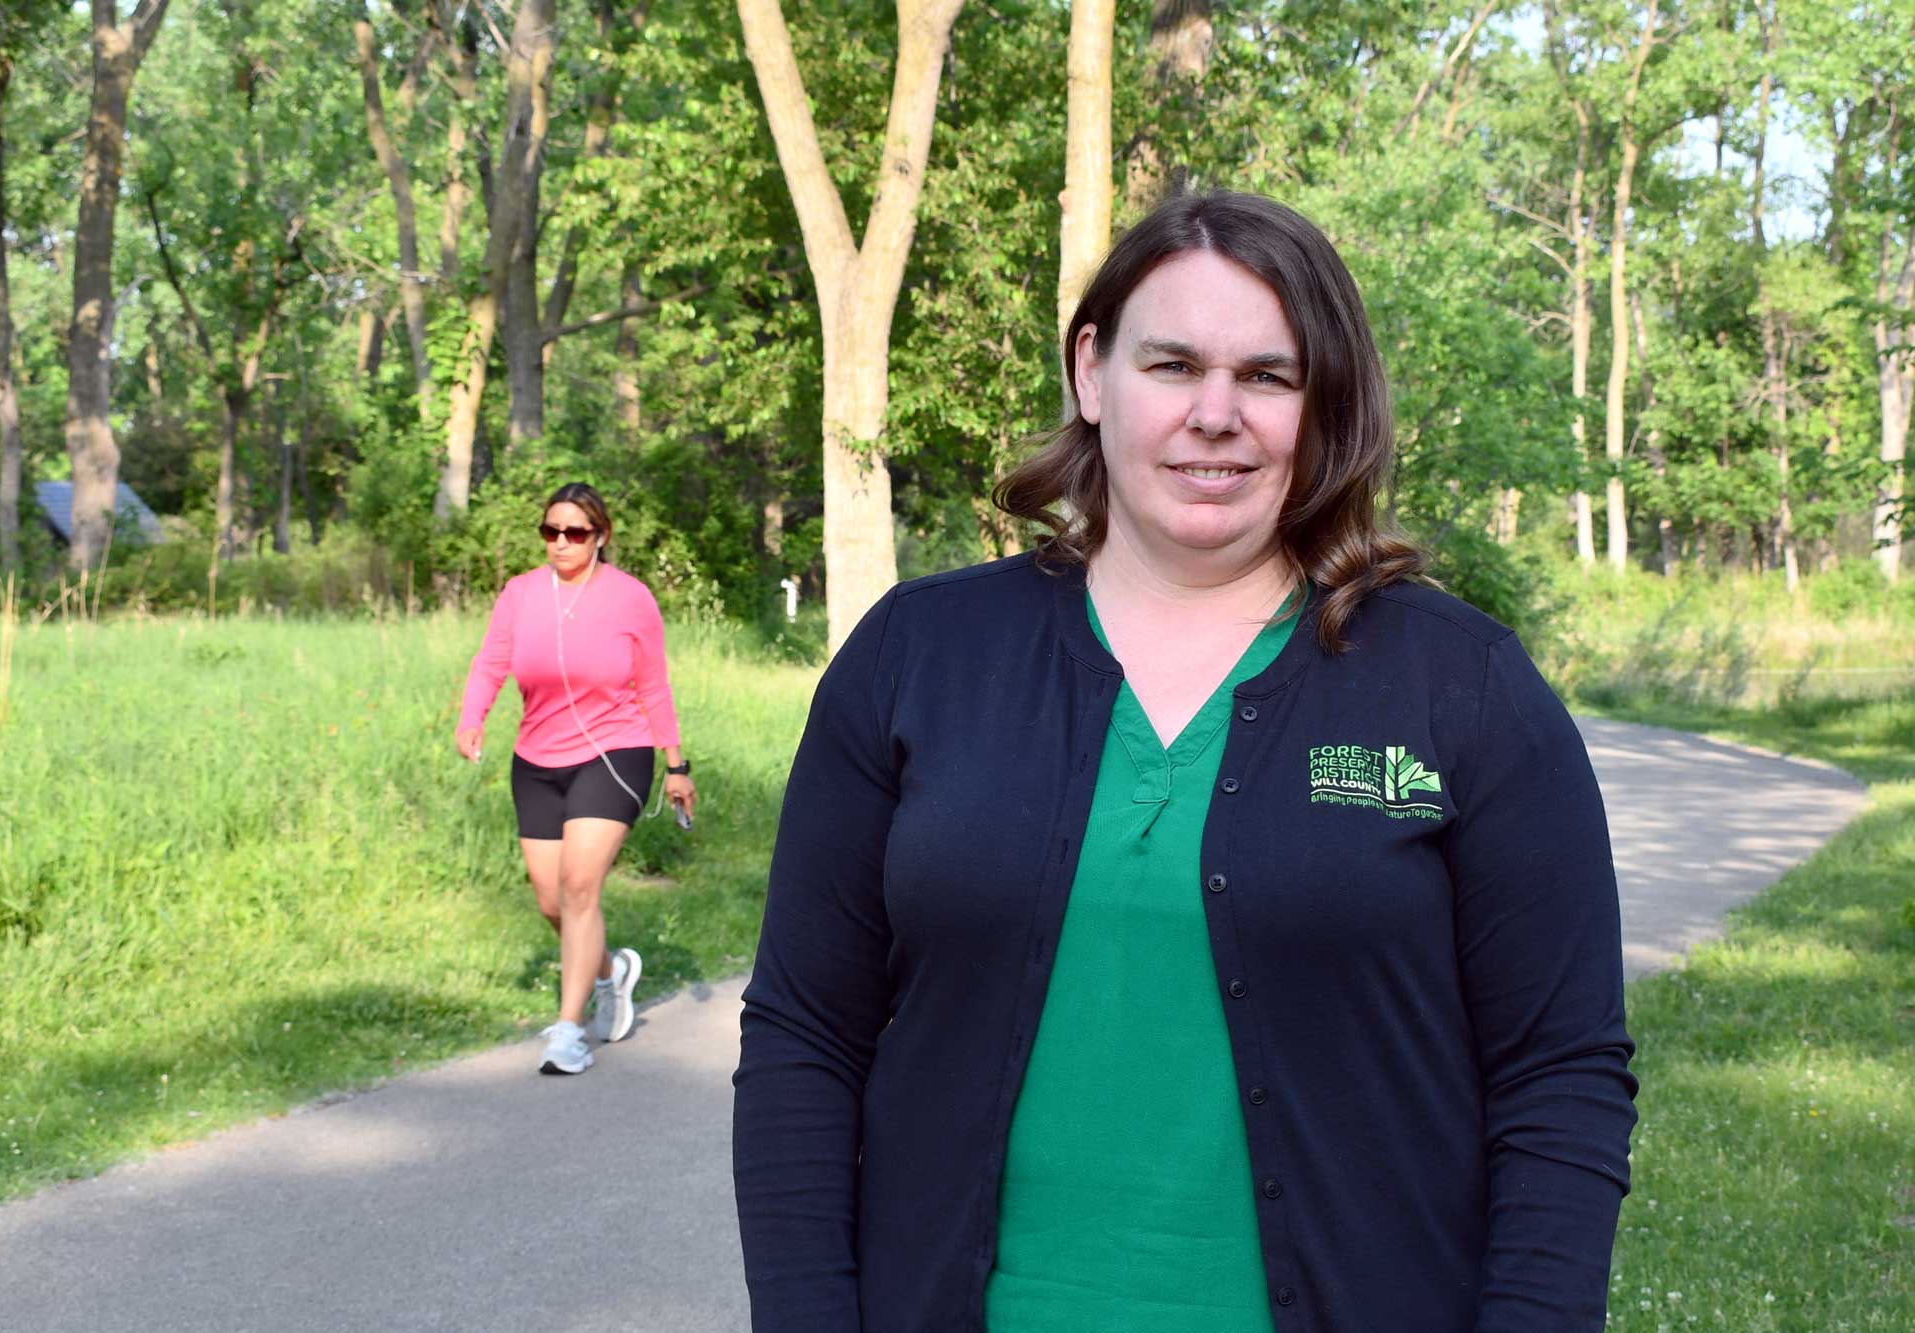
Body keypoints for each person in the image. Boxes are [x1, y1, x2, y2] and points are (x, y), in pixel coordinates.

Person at [733, 191, 1637, 1331]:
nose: (1217, 415)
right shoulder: (917, 660)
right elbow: (802, 1038)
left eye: (1267, 375)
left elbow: (1560, 1080)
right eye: (1171, 365)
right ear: (1089, 374)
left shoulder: (1461, 687)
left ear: (1322, 407)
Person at [456, 482, 695, 1076]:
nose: (561, 543)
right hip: (536, 758)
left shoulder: (631, 598)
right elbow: (490, 662)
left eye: (575, 533)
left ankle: (568, 1032)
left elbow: (653, 685)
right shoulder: (520, 594)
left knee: (580, 886)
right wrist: (471, 719)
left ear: (600, 536)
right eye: (551, 532)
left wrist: (676, 764)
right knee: (549, 898)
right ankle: (612, 971)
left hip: (614, 754)